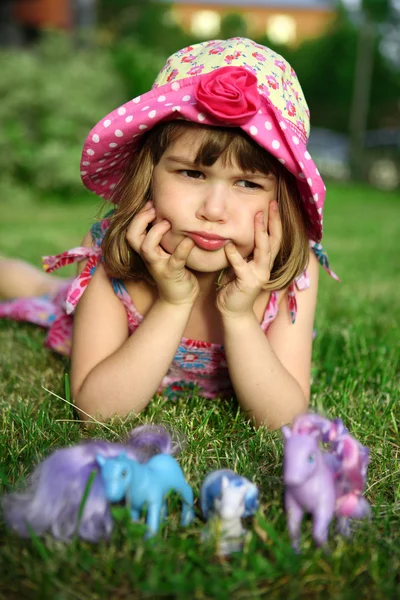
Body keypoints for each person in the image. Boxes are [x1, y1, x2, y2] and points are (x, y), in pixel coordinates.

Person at [0, 37, 338, 429]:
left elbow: (283, 419)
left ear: (285, 197)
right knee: (38, 288)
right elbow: (96, 414)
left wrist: (240, 315)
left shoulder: (295, 275)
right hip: (96, 307)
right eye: (192, 173)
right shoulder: (111, 253)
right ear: (149, 176)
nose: (213, 210)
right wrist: (173, 304)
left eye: (248, 184)